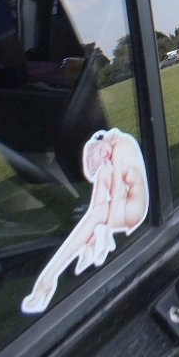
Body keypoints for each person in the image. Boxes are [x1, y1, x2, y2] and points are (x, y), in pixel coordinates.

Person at [21, 128, 149, 314]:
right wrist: (95, 231)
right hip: (129, 208)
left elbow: (114, 195)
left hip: (135, 208)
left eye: (100, 151)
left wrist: (106, 229)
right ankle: (49, 278)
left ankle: (47, 280)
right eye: (101, 159)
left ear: (98, 141)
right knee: (94, 213)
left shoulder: (119, 147)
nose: (105, 157)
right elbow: (100, 203)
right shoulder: (109, 164)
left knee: (95, 215)